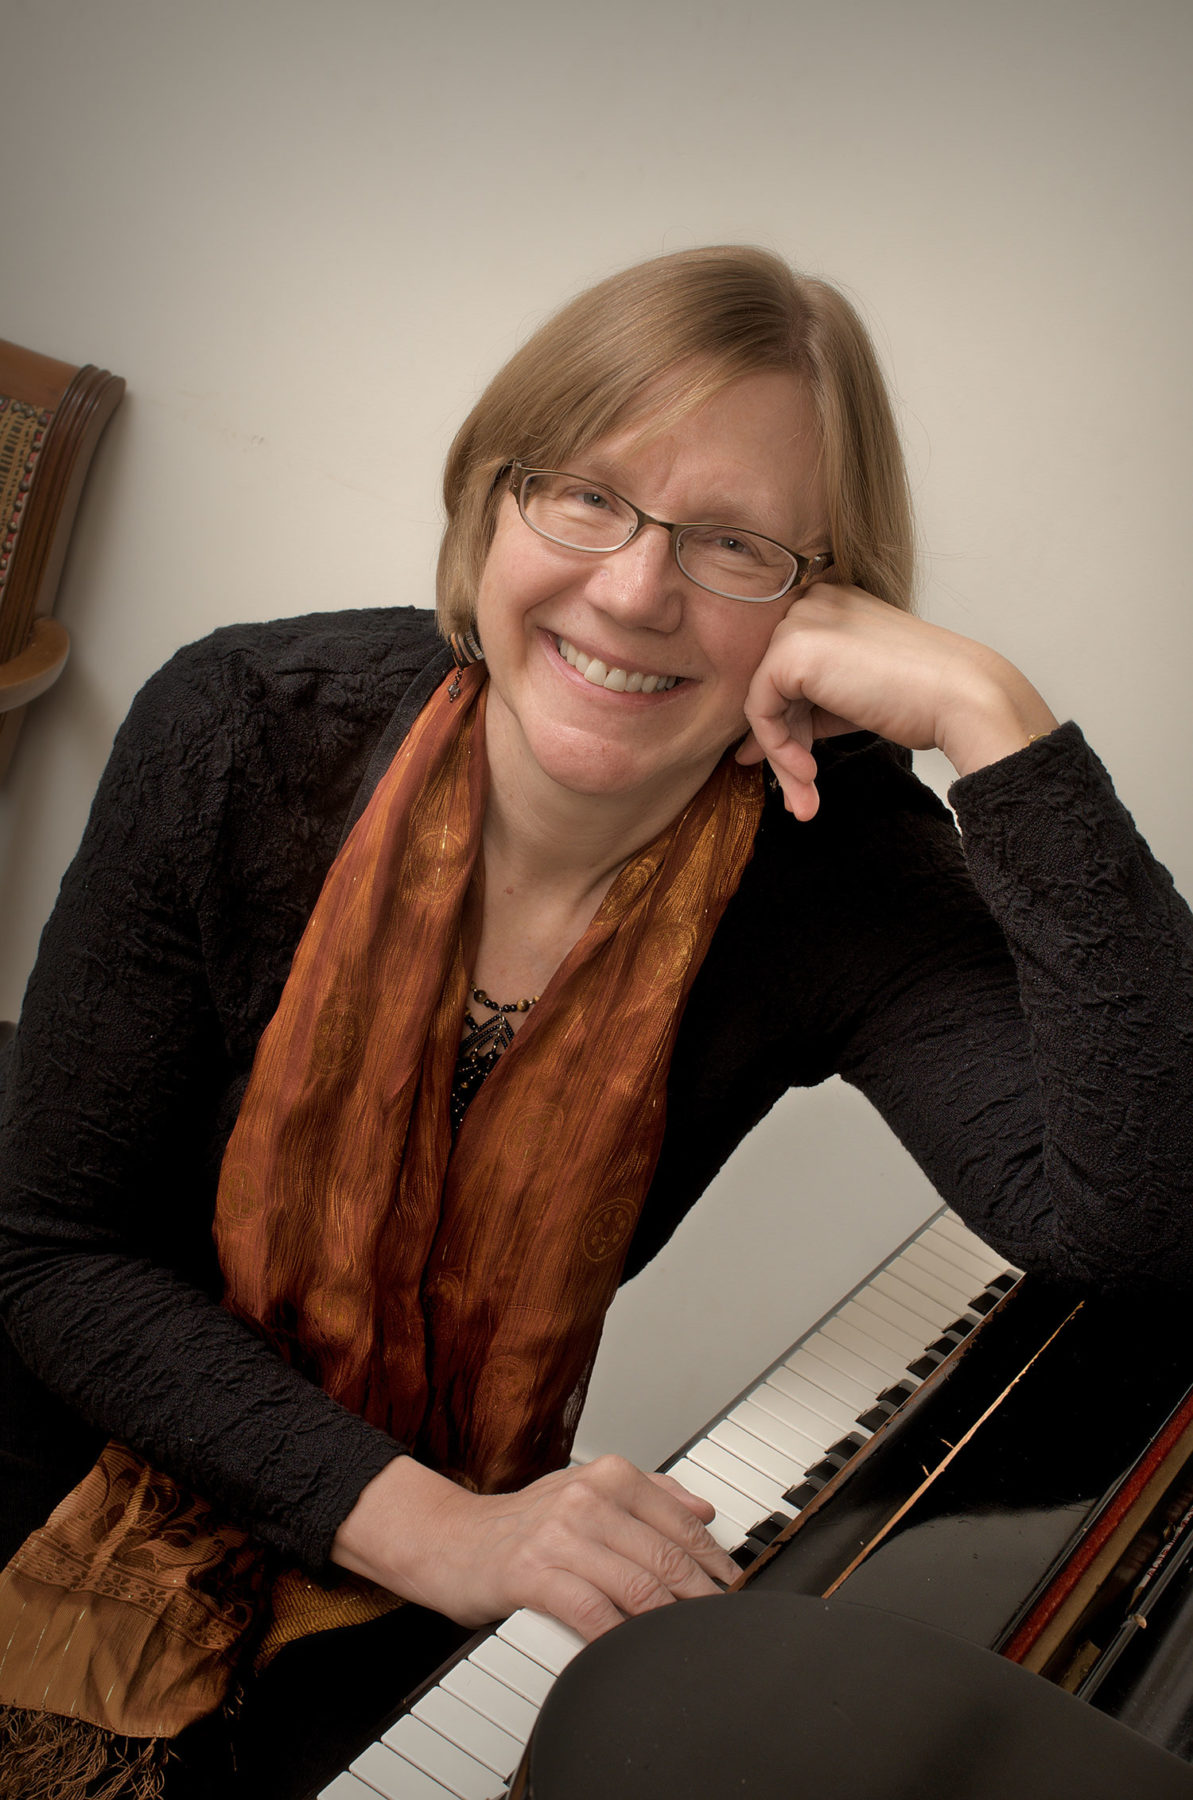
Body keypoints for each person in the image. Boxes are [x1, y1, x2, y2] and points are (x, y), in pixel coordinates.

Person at [1, 245, 1191, 1798]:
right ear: (488, 499)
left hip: (415, 1542)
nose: (633, 589)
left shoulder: (830, 860)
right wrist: (453, 1531)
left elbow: (1145, 1225)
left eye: (735, 545)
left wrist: (996, 722)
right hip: (80, 1434)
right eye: (584, 495)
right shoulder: (238, 730)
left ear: (826, 596)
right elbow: (52, 1252)